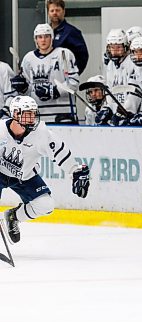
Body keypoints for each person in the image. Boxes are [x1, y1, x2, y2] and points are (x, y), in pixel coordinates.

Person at [0, 96, 90, 245]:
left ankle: (13, 217)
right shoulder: (1, 129)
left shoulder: (41, 134)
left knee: (45, 205)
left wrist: (75, 171)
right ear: (15, 114)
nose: (32, 118)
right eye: (28, 114)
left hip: (25, 176)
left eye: (33, 114)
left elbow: (60, 152)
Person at [14, 23, 79, 124]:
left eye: (46, 36)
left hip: (63, 114)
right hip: (38, 116)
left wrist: (55, 91)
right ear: (35, 39)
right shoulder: (28, 58)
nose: (43, 40)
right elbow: (28, 90)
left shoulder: (64, 54)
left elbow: (73, 82)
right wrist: (22, 87)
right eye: (40, 37)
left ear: (52, 38)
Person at [47, 0, 89, 75]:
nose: (54, 13)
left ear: (63, 11)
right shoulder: (45, 32)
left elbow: (83, 56)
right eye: (52, 11)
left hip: (65, 78)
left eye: (57, 10)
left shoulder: (71, 32)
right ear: (48, 13)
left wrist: (73, 75)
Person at [103, 28, 135, 116]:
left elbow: (134, 92)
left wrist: (126, 111)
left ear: (125, 47)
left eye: (118, 47)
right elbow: (109, 89)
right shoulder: (110, 65)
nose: (115, 51)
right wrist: (108, 108)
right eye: (112, 47)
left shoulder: (132, 63)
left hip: (130, 113)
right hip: (116, 112)